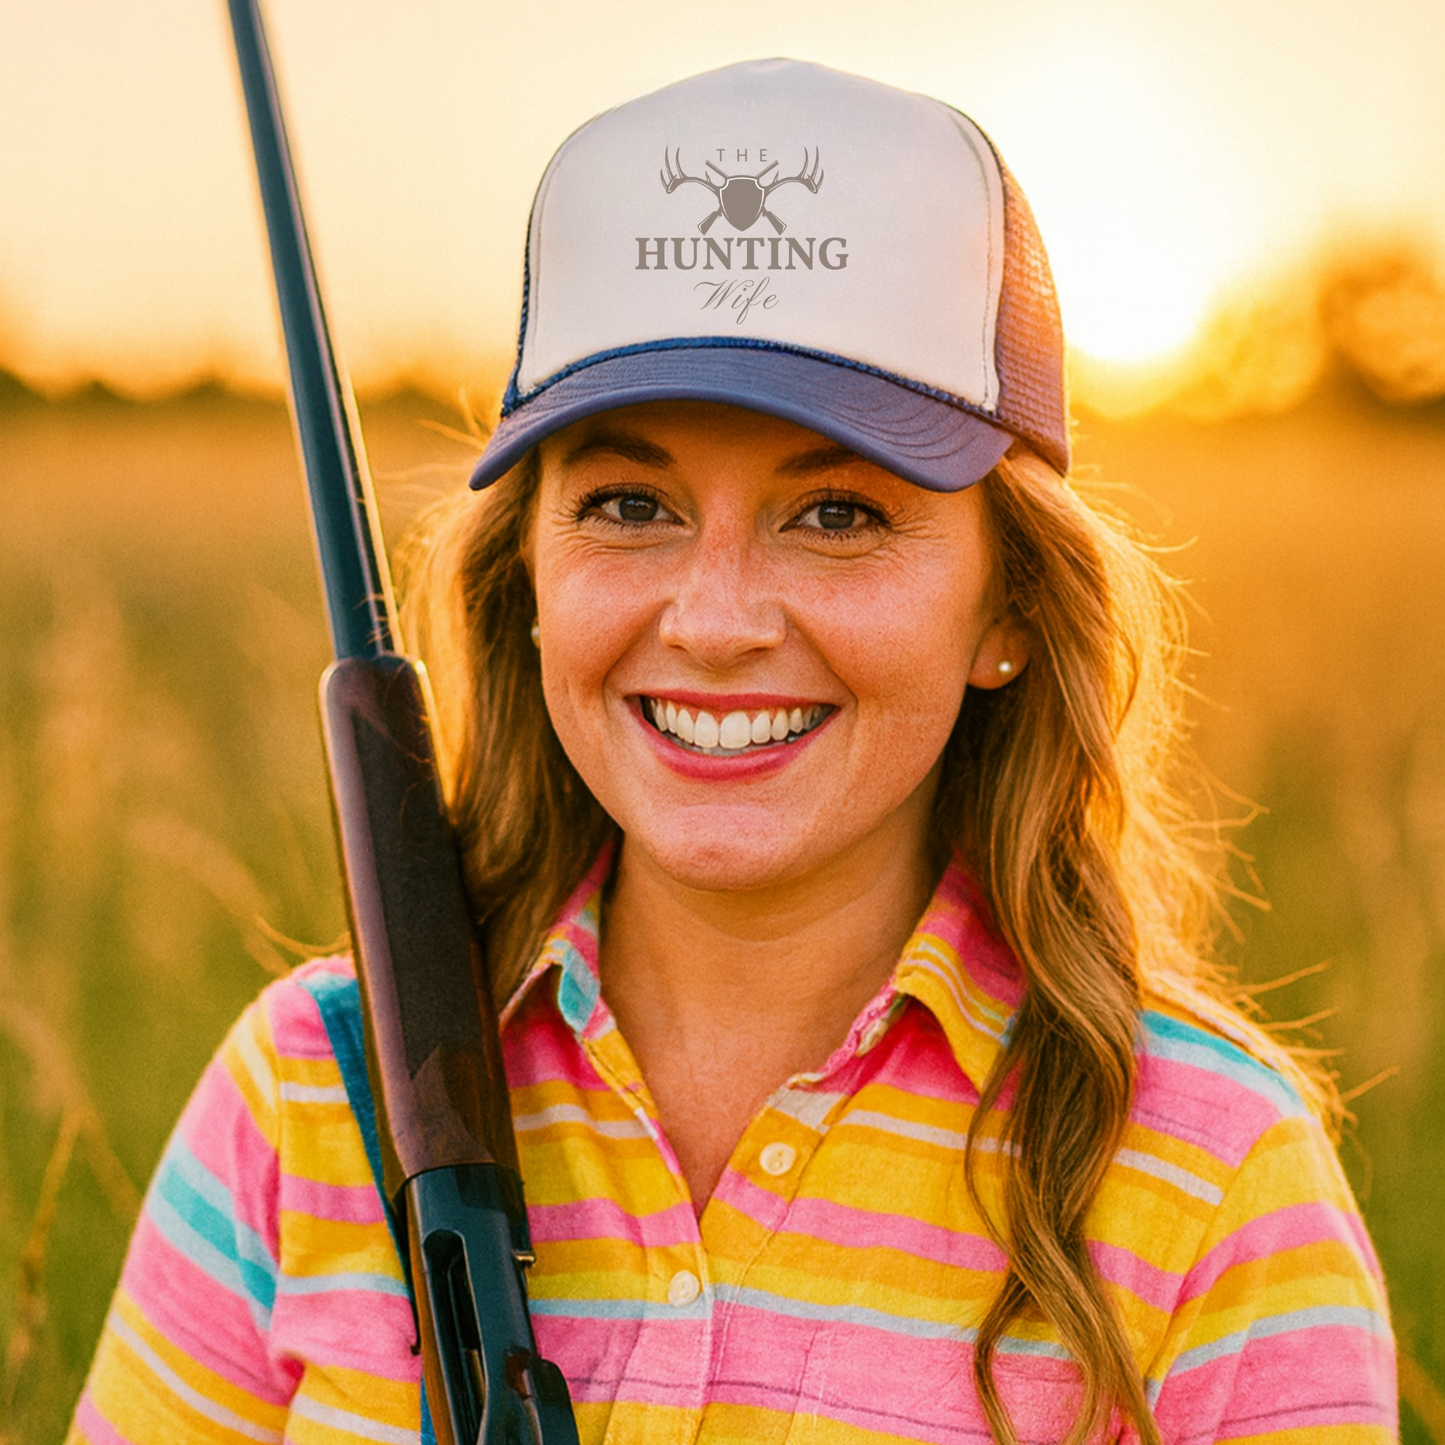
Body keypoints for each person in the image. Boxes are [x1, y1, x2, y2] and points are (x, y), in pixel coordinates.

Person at [68, 59, 1395, 1445]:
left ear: (1007, 605)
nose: (710, 623)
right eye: (629, 502)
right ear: (525, 577)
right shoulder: (308, 1096)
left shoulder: (1215, 1185)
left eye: (837, 515)